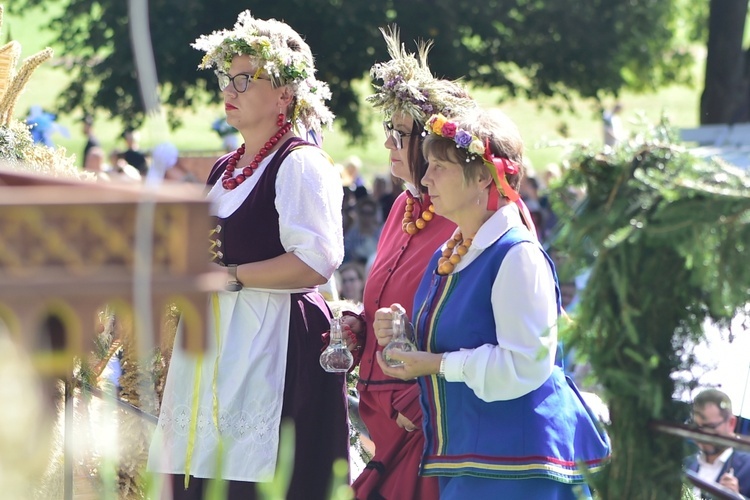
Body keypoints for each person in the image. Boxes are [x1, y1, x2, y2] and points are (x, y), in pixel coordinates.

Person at [148, 11, 346, 500]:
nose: (229, 90)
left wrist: (230, 276)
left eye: (244, 78)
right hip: (220, 340)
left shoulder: (299, 164)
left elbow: (316, 261)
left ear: (285, 93)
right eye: (226, 78)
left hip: (274, 341)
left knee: (260, 480)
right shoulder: (225, 166)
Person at [373, 108, 611, 499]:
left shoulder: (516, 254)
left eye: (439, 166)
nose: (426, 177)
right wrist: (402, 332)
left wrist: (434, 364)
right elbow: (465, 335)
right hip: (474, 463)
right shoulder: (451, 252)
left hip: (520, 469)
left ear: (484, 176)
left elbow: (526, 363)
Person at [340, 27, 477, 500]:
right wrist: (354, 330)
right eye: (389, 132)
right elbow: (384, 302)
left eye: (399, 134)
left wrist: (416, 408)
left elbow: (481, 327)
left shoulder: (472, 217)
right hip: (381, 415)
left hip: (427, 421)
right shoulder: (402, 207)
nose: (389, 145)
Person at [686, 388, 750, 498]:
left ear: (731, 423)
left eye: (710, 427)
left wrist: (737, 497)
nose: (702, 435)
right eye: (697, 427)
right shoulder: (687, 463)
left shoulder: (747, 467)